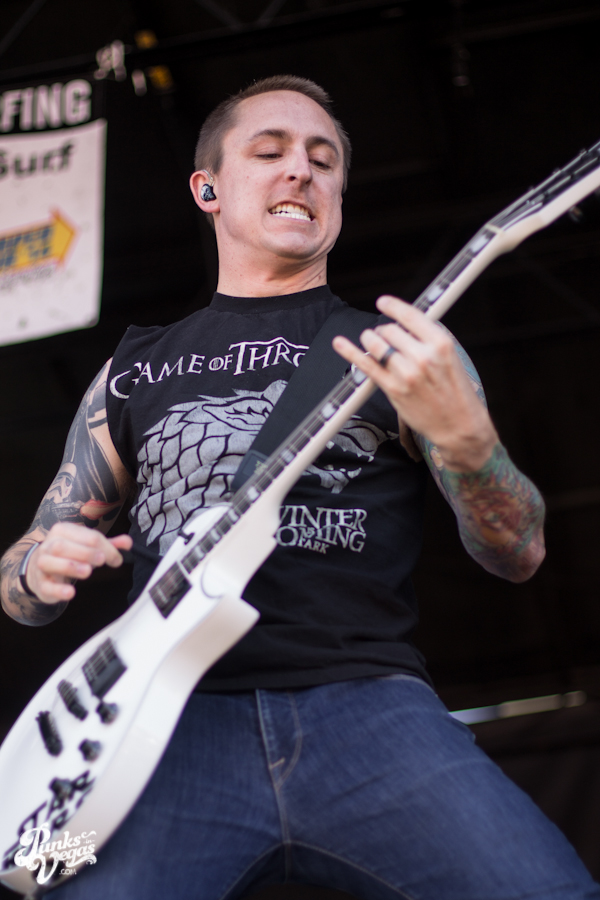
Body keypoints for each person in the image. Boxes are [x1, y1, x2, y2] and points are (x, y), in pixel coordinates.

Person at [0, 75, 597, 900]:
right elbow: (20, 583)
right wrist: (39, 566)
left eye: (323, 160)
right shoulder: (133, 369)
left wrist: (471, 444)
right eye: (270, 152)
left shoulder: (402, 350)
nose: (300, 171)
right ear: (208, 188)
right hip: (165, 721)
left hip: (367, 706)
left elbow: (518, 551)